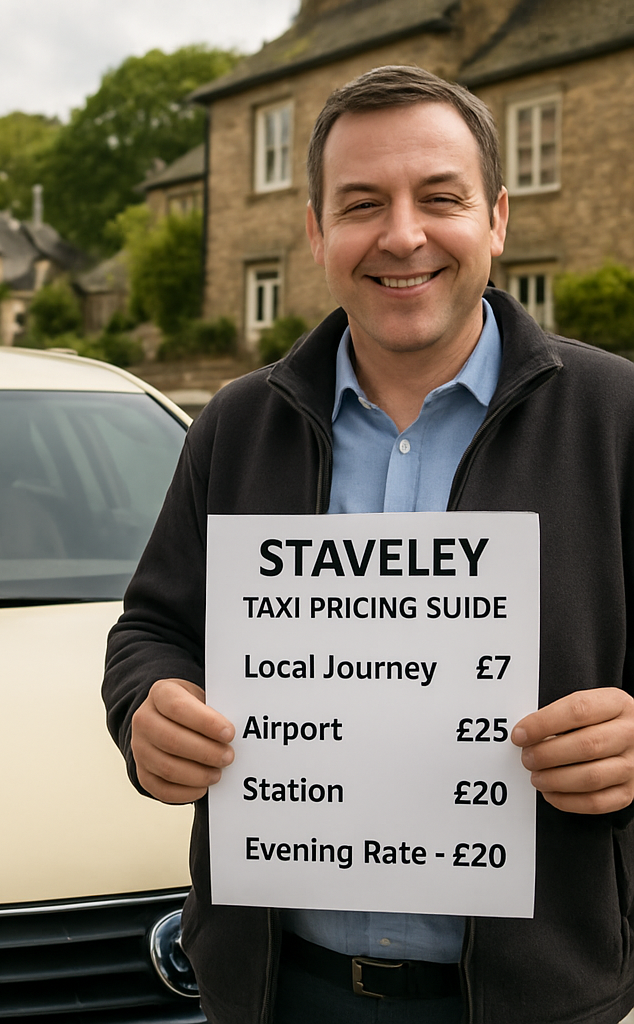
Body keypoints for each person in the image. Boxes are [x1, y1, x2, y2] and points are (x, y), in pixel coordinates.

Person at [103, 65, 634, 1024]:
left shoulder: (617, 418)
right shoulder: (234, 425)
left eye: (440, 198)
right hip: (279, 992)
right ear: (316, 232)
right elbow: (151, 628)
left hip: (535, 999)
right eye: (361, 204)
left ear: (497, 219)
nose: (401, 234)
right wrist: (147, 708)